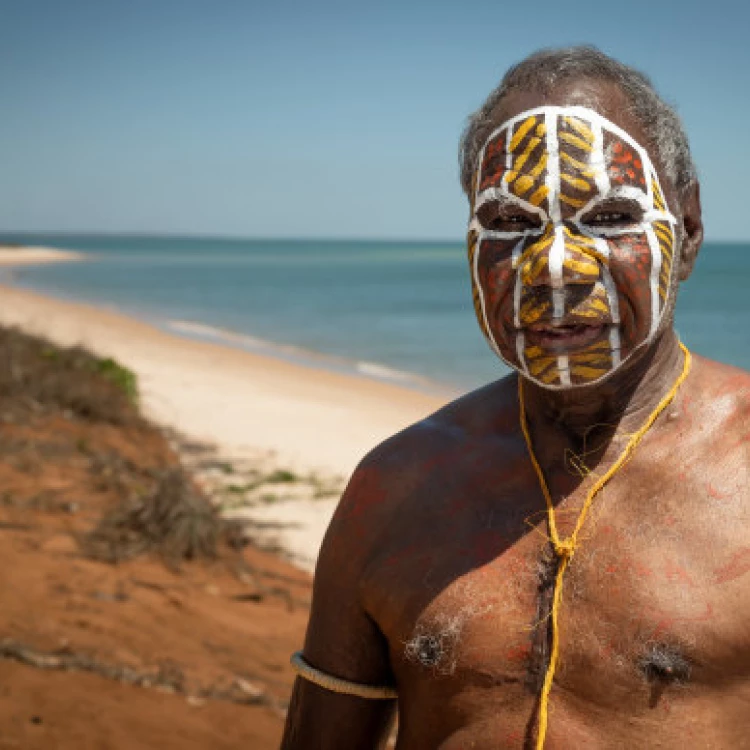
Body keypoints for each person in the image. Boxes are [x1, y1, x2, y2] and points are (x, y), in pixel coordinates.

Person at [280, 46, 750, 749]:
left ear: (687, 231)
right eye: (509, 225)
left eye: (609, 216)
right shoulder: (395, 488)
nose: (555, 266)